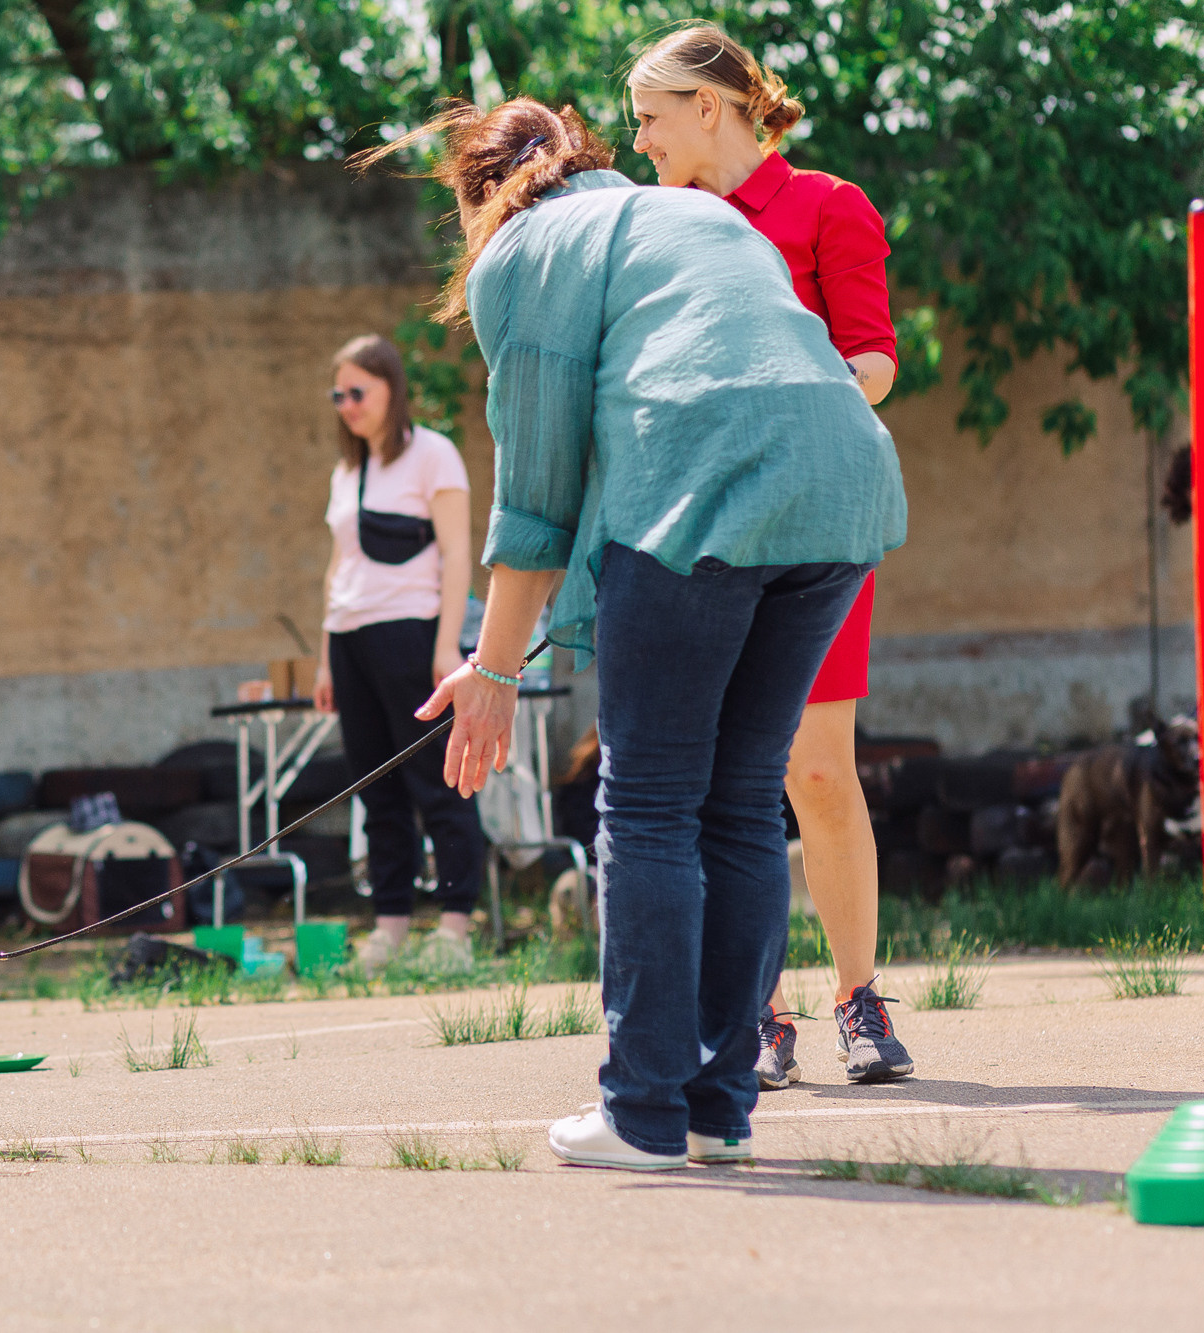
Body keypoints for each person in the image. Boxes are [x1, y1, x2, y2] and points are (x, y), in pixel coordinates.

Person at [365, 97, 904, 1170]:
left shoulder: (518, 255)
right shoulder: (685, 213)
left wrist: (492, 670)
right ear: (585, 158)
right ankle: (716, 1111)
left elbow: (535, 496)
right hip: (842, 485)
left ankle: (642, 1112)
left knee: (648, 804)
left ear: (479, 195)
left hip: (708, 492)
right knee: (743, 801)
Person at [628, 24, 913, 1087]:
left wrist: (780, 400)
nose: (640, 141)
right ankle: (761, 1015)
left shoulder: (826, 205)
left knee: (814, 768)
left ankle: (857, 999)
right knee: (717, 777)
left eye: (651, 117)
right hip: (704, 526)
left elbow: (875, 363)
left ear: (711, 107)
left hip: (815, 517)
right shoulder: (658, 228)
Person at [310, 334, 485, 974]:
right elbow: (339, 567)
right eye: (339, 395)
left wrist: (447, 644)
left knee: (438, 781)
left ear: (391, 388)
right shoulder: (347, 470)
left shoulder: (432, 455)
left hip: (413, 633)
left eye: (359, 391)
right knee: (375, 788)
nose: (348, 405)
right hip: (352, 637)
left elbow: (457, 553)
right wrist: (329, 657)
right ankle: (390, 926)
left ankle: (456, 926)